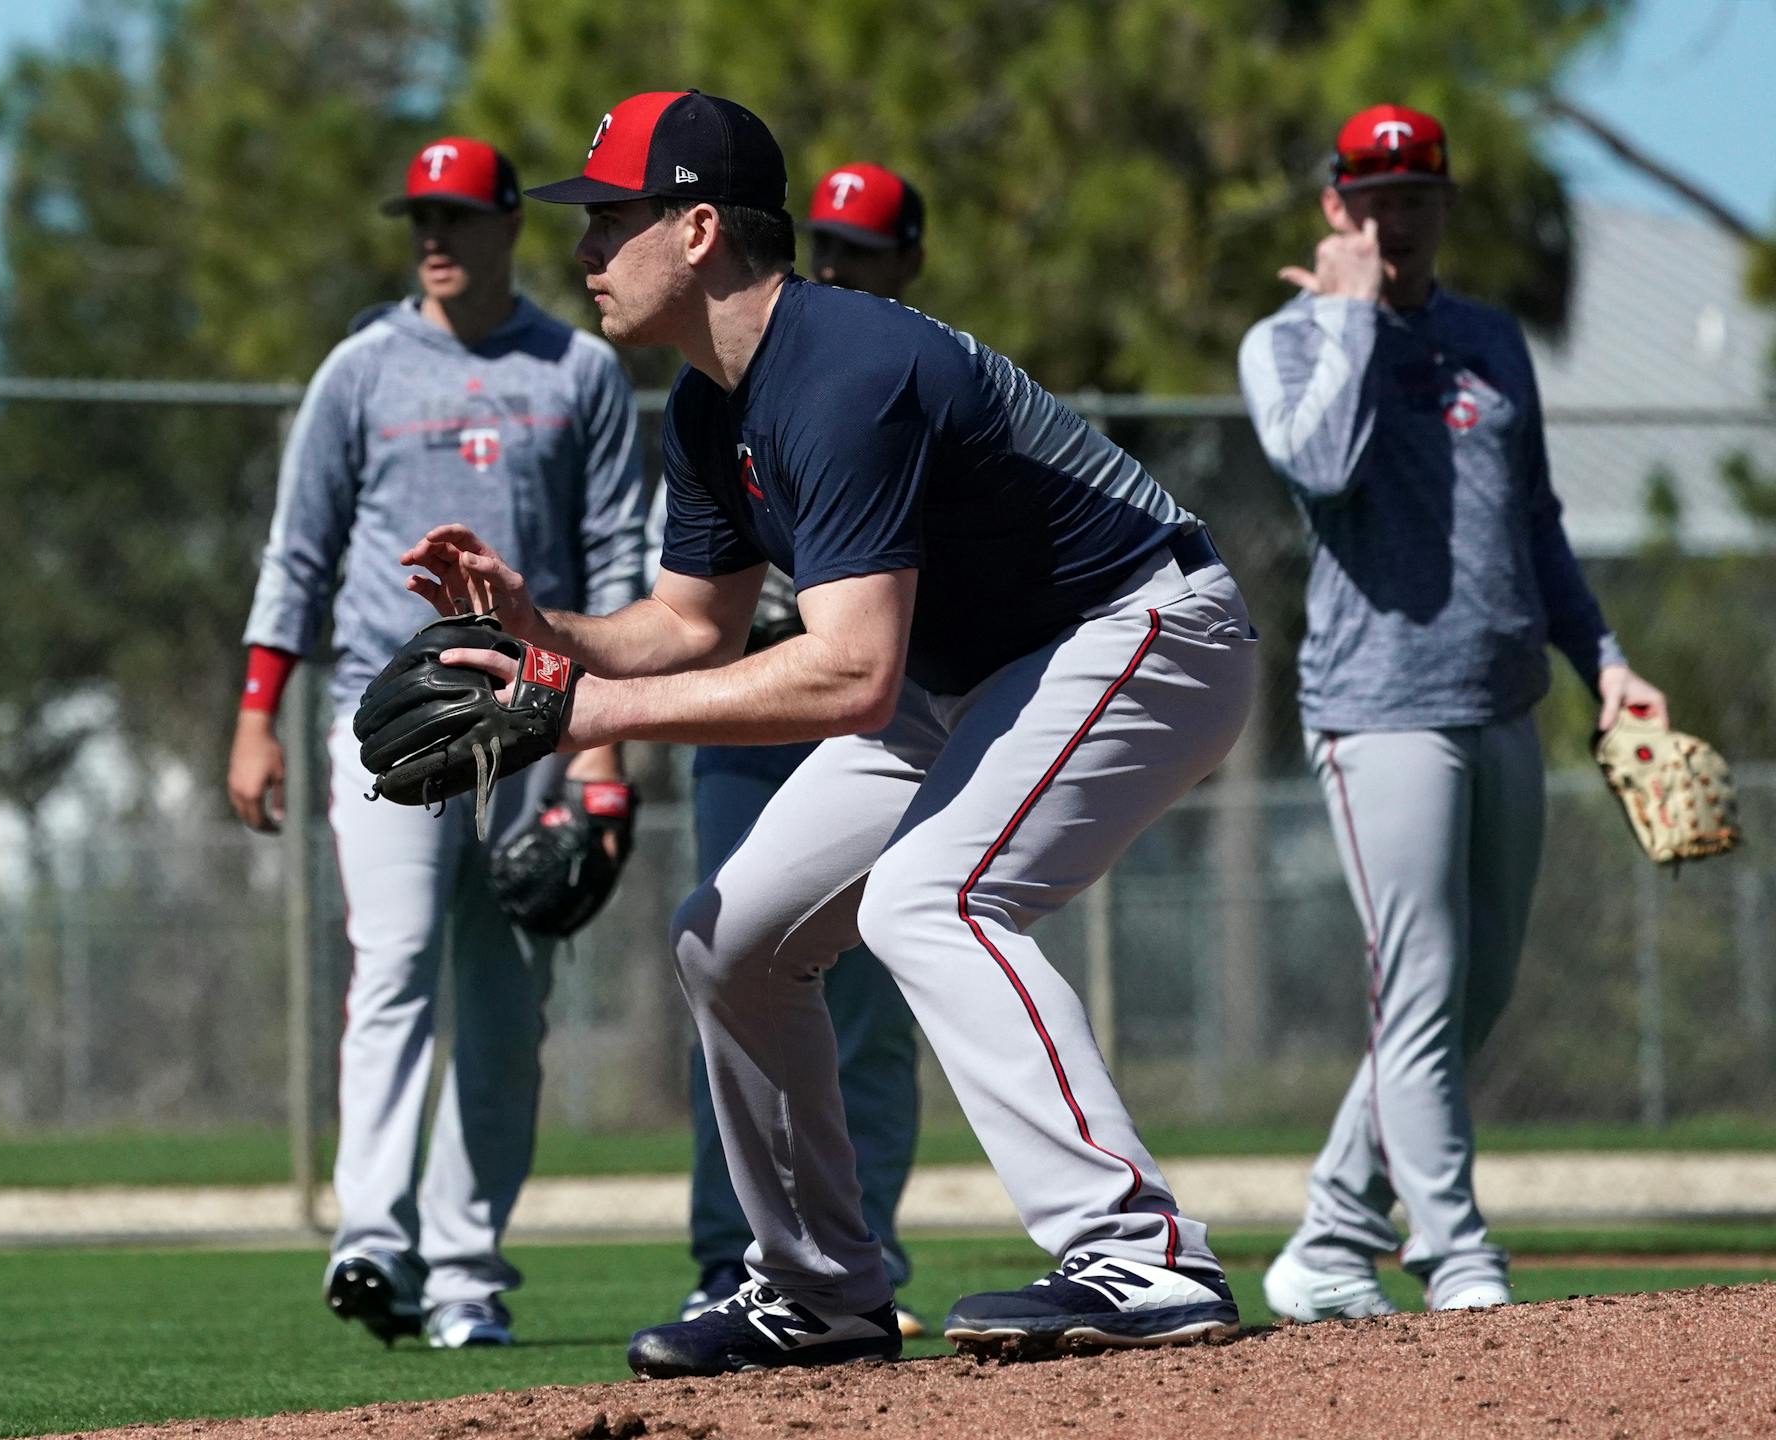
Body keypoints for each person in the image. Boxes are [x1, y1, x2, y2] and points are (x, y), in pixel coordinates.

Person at [398, 90, 1258, 1376]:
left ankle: (1142, 1253)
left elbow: (850, 674)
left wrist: (584, 711)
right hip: (960, 674)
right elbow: (694, 628)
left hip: (1141, 629)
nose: (582, 250)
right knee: (728, 940)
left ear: (696, 231)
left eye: (608, 221)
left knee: (933, 897)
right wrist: (547, 634)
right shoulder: (706, 404)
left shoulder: (845, 370)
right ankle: (819, 1292)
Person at [1237, 104, 1668, 1321]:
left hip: (1503, 701)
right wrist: (1349, 315)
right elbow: (1320, 465)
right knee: (1419, 981)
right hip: (1382, 711)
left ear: (1444, 205)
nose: (1395, 215)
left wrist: (1609, 662)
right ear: (1335, 209)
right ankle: (1457, 1252)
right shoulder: (1286, 343)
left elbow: (1536, 523)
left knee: (1471, 990)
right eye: (1371, 196)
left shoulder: (1490, 341)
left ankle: (1327, 1234)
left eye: (1416, 193)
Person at [227, 135, 644, 1350]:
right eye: (422, 217)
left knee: (509, 1008)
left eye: (459, 217)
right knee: (396, 960)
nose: (435, 237)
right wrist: (258, 712)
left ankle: (465, 1273)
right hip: (388, 715)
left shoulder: (579, 372)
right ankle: (372, 1237)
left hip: (534, 715)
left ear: (512, 225)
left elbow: (618, 557)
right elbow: (296, 553)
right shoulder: (360, 370)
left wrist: (602, 755)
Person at [668, 161, 929, 1334]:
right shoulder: (726, 386)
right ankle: (736, 1259)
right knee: (729, 949)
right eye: (829, 244)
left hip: (872, 697)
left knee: (875, 990)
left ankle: (854, 1250)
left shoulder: (889, 372)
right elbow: (684, 604)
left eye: (867, 249)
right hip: (748, 707)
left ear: (907, 261)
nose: (842, 266)